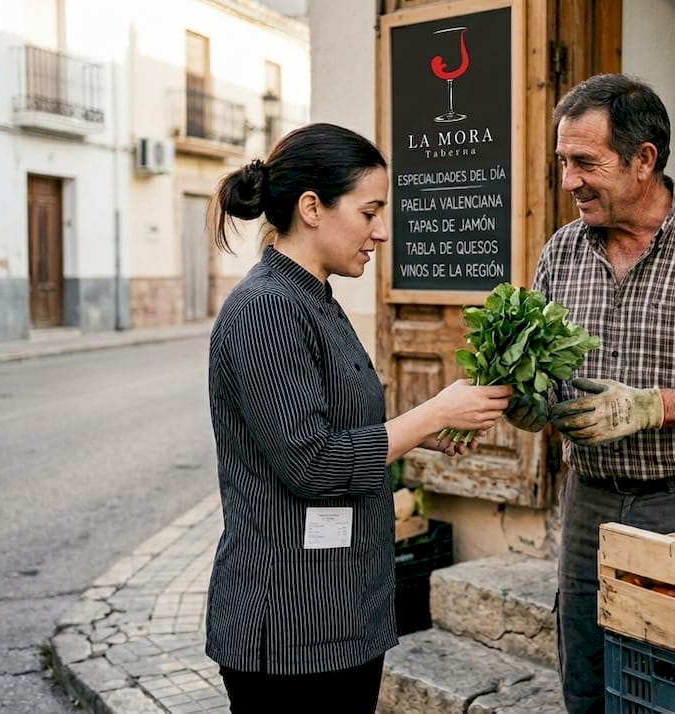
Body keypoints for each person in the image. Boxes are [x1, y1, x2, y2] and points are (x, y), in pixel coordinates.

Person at [205, 123, 512, 713]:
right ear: (312, 208)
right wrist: (431, 413)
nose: (382, 231)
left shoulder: (311, 297)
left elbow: (333, 428)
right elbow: (311, 463)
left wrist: (426, 437)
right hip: (291, 624)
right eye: (369, 211)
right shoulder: (267, 309)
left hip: (336, 611)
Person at [506, 74, 675, 713]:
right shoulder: (562, 254)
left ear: (644, 160)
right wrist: (528, 403)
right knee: (587, 672)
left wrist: (653, 406)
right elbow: (547, 381)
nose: (569, 180)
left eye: (586, 162)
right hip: (589, 507)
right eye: (563, 163)